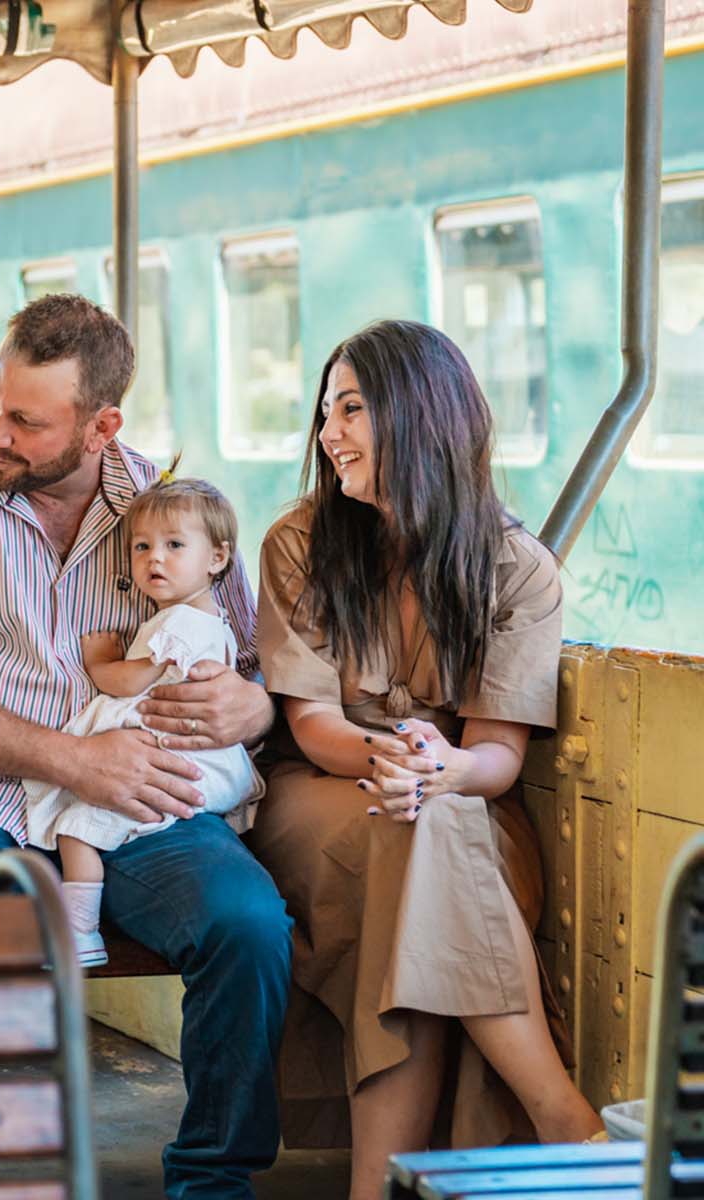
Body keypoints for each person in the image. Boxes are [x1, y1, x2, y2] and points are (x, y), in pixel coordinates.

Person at [0, 293, 290, 1200]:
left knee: (249, 928)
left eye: (25, 421)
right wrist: (69, 757)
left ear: (102, 425)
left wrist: (252, 709)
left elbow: (248, 668)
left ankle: (213, 1183)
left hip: (136, 798)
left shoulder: (174, 512)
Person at [246, 319, 600, 1200]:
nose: (330, 435)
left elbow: (496, 760)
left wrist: (439, 770)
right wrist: (393, 756)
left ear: (421, 414)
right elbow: (313, 722)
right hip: (318, 792)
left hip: (460, 807)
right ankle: (563, 1117)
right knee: (414, 836)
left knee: (422, 844)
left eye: (353, 409)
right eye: (326, 413)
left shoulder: (519, 570)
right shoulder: (300, 543)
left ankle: (379, 1189)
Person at [24, 474, 263, 968]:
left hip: (172, 757)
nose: (155, 558)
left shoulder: (181, 622)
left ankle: (80, 930)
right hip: (195, 760)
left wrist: (99, 663)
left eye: (175, 545)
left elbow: (130, 683)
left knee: (78, 826)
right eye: (142, 546)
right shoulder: (205, 619)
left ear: (217, 558)